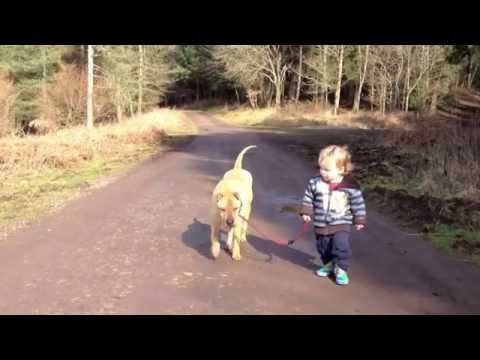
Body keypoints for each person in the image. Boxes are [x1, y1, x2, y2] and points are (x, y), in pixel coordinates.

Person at [300, 145, 366, 285]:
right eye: (321, 168)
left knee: (340, 245)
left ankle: (341, 268)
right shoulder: (315, 183)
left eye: (327, 170)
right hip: (320, 223)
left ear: (341, 169)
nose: (323, 172)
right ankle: (329, 264)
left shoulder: (350, 186)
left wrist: (359, 219)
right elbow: (308, 198)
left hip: (341, 223)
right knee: (323, 247)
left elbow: (358, 203)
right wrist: (306, 211)